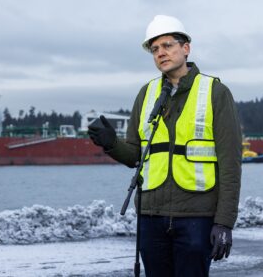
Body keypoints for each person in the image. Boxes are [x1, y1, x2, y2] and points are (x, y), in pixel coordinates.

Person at [88, 15, 242, 277]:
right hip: (151, 216)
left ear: (186, 48)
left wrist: (224, 222)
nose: (161, 53)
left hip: (196, 215)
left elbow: (230, 165)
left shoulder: (215, 92)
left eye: (168, 45)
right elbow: (136, 155)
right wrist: (111, 143)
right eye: (155, 49)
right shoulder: (146, 93)